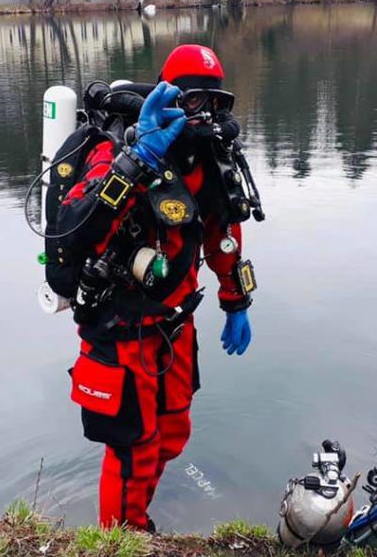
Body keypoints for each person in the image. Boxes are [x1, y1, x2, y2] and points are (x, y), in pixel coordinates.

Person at [56, 44, 257, 531]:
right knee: (133, 446)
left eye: (214, 102)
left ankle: (136, 517)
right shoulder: (119, 147)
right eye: (191, 100)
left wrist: (236, 301)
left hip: (174, 325)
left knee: (173, 433)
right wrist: (138, 158)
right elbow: (75, 231)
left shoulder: (209, 156)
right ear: (167, 94)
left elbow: (222, 234)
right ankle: (123, 538)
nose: (202, 113)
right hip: (121, 328)